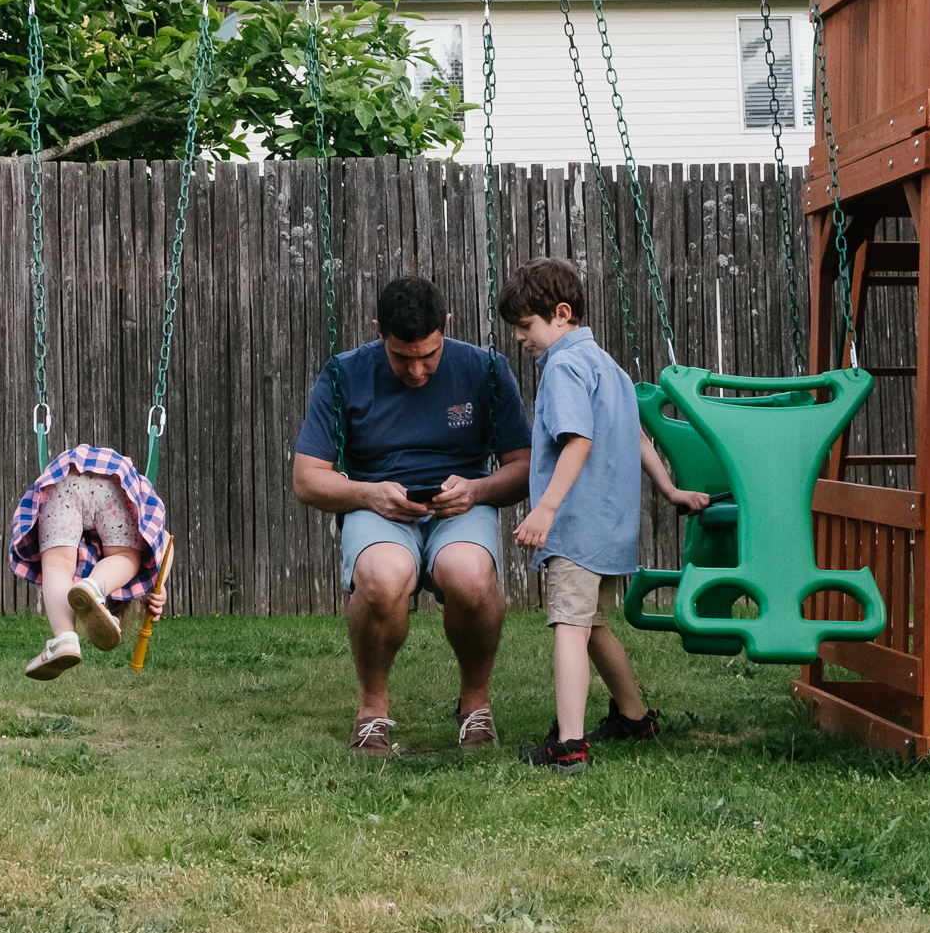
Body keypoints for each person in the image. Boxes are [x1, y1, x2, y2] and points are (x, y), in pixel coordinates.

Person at [293, 275, 533, 756]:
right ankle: (372, 711)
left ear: (446, 326)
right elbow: (307, 479)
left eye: (429, 354)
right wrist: (368, 494)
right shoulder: (344, 374)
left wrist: (477, 489)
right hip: (378, 505)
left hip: (460, 503)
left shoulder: (484, 368)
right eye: (402, 357)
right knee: (383, 578)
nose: (418, 370)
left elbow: (525, 467)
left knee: (466, 575)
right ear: (378, 329)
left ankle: (475, 705)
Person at [499, 258, 709, 774]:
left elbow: (579, 440)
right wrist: (671, 489)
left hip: (575, 526)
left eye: (526, 327)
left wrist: (545, 509)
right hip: (612, 528)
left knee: (568, 626)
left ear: (561, 314)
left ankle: (568, 746)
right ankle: (634, 717)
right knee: (592, 626)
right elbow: (637, 435)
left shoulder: (564, 367)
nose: (521, 340)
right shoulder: (609, 366)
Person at [7, 444, 171, 679]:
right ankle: (93, 589)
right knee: (123, 557)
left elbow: (165, 543)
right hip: (116, 482)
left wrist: (159, 583)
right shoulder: (115, 563)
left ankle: (64, 637)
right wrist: (159, 585)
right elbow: (166, 540)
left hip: (65, 477)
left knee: (58, 565)